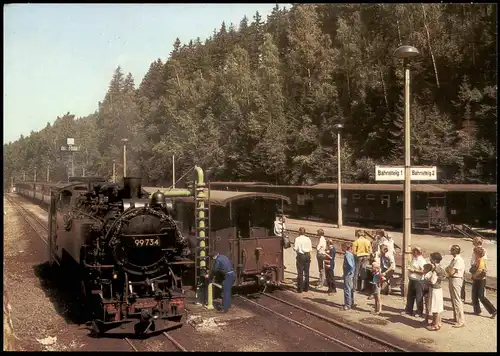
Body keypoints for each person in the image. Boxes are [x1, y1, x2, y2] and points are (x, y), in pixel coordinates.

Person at [470, 246, 497, 318]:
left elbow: (480, 270)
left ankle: (493, 310)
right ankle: (477, 310)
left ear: (477, 253)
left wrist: (474, 276)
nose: (474, 253)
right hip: (478, 279)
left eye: (475, 252)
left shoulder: (481, 260)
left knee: (481, 296)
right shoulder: (478, 259)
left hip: (480, 280)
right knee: (474, 295)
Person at [446, 245, 466, 328]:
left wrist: (448, 270)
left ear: (454, 251)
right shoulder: (454, 259)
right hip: (452, 279)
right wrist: (448, 269)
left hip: (456, 279)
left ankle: (461, 321)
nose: (450, 251)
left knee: (457, 300)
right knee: (453, 299)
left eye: (452, 250)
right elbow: (448, 269)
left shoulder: (458, 260)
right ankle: (456, 318)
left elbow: (450, 271)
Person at [425, 252, 446, 331]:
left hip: (434, 289)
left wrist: (428, 279)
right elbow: (444, 276)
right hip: (439, 289)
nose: (430, 259)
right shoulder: (440, 268)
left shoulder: (435, 269)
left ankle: (435, 325)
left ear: (434, 260)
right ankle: (437, 322)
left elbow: (433, 281)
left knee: (435, 308)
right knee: (438, 307)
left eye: (431, 258)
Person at [462, 237, 488, 302]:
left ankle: (480, 302)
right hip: (475, 269)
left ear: (477, 242)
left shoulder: (481, 250)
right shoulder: (475, 250)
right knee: (476, 288)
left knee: (480, 289)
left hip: (478, 270)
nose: (472, 242)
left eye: (474, 241)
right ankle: (476, 301)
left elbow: (483, 262)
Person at [404, 247, 426, 317]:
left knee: (418, 296)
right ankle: (408, 310)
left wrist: (414, 270)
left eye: (413, 251)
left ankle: (419, 312)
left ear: (416, 252)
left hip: (418, 281)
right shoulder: (414, 259)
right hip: (412, 279)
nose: (412, 253)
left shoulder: (421, 260)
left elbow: (423, 271)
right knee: (410, 295)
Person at [294, 227, 312, 293]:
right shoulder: (308, 239)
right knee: (307, 272)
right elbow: (310, 248)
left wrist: (295, 249)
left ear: (299, 232)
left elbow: (295, 248)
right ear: (305, 232)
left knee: (300, 272)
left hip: (300, 256)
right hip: (307, 256)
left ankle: (300, 288)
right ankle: (306, 288)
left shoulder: (297, 239)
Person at [342, 243, 356, 310]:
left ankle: (347, 305)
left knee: (347, 289)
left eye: (342, 247)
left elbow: (350, 265)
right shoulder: (351, 254)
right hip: (351, 274)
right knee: (351, 288)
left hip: (348, 274)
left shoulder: (347, 255)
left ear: (345, 247)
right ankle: (351, 302)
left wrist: (348, 271)